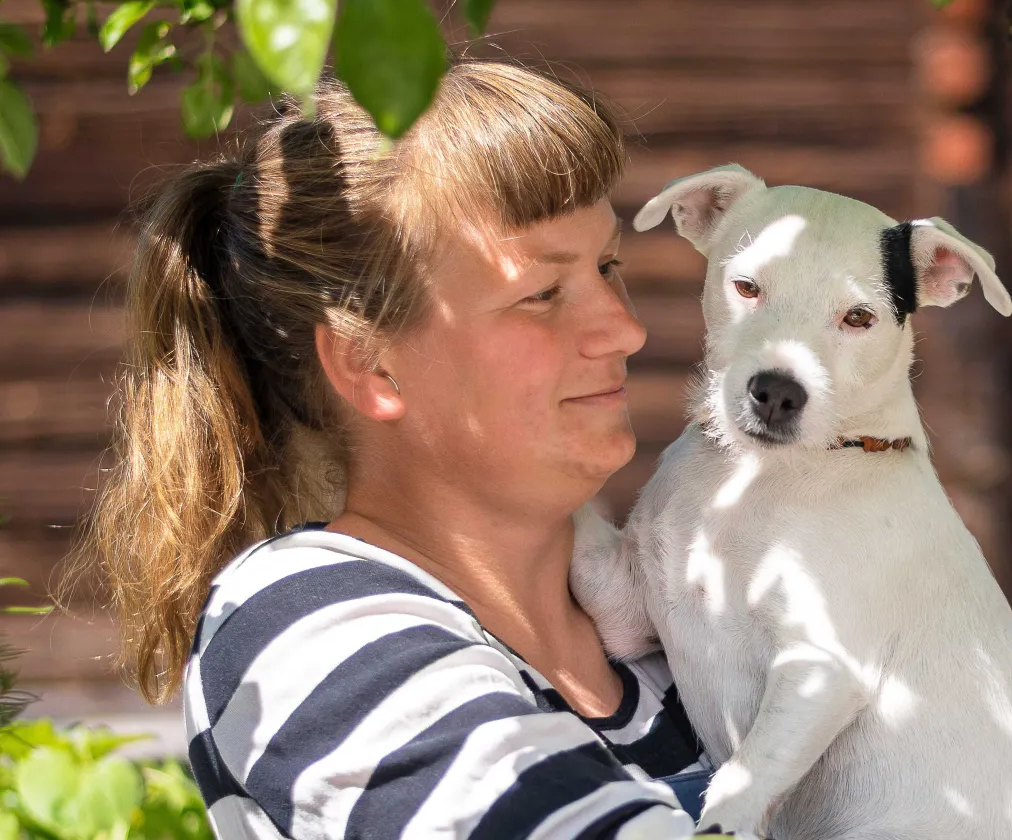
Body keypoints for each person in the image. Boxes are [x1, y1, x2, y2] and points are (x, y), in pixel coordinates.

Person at [74, 61, 712, 840]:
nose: (625, 328)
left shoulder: (678, 613)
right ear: (371, 364)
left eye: (607, 266)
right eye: (541, 293)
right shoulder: (304, 626)